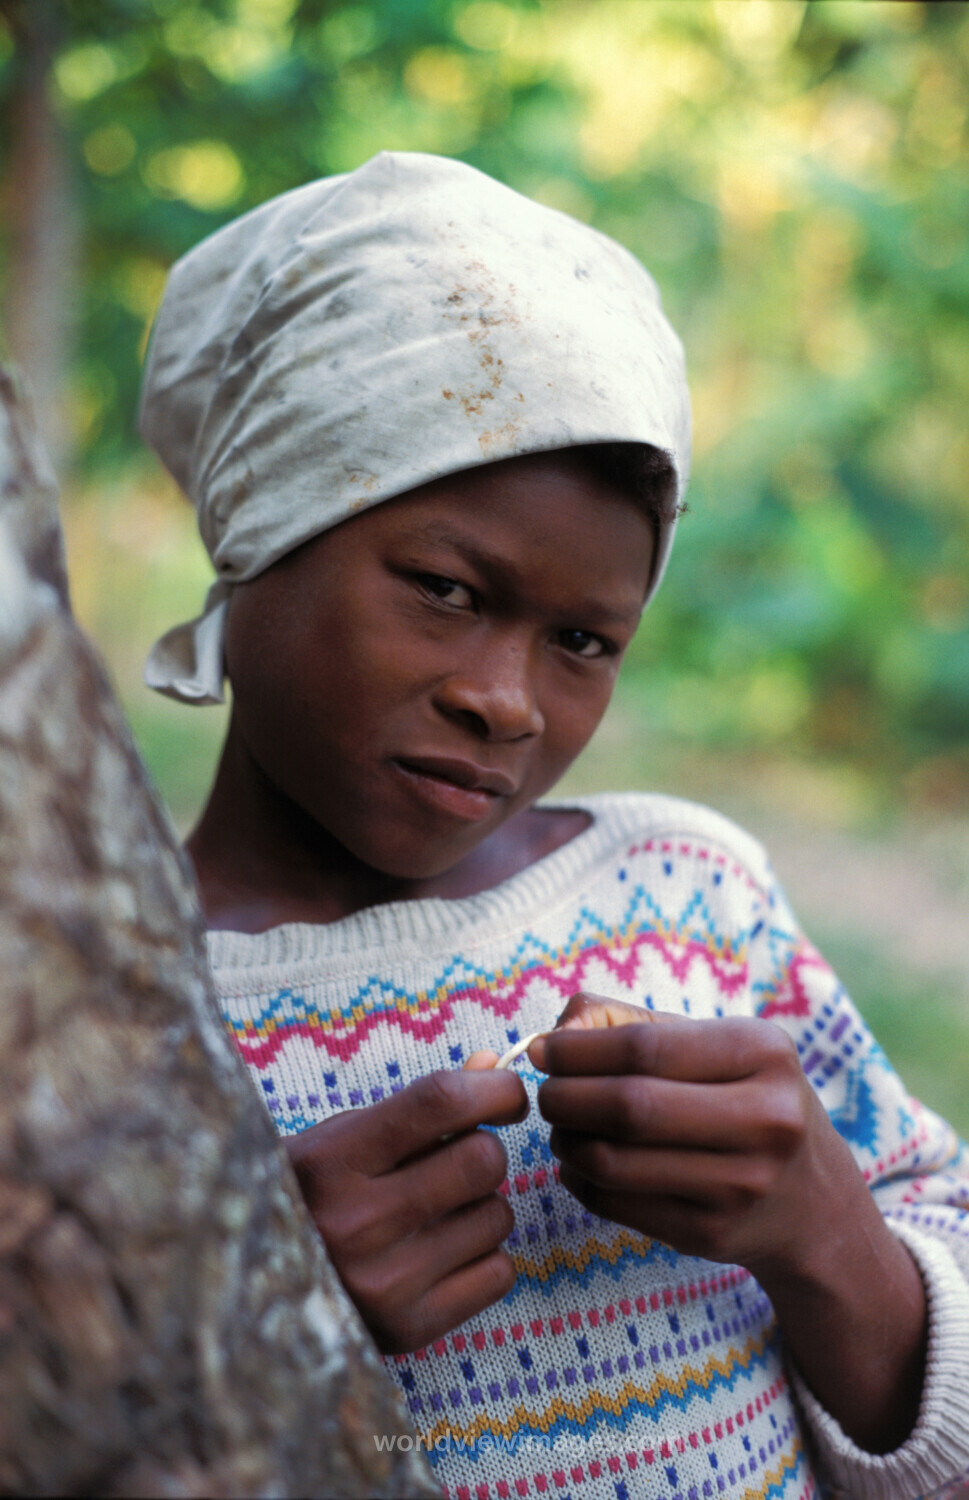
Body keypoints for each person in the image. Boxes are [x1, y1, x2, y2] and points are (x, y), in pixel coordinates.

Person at [139, 152, 969, 1500]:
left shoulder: (690, 898)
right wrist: (245, 1339)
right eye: (446, 591)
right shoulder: (105, 1027)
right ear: (261, 528)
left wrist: (832, 1241)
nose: (504, 702)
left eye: (582, 639)